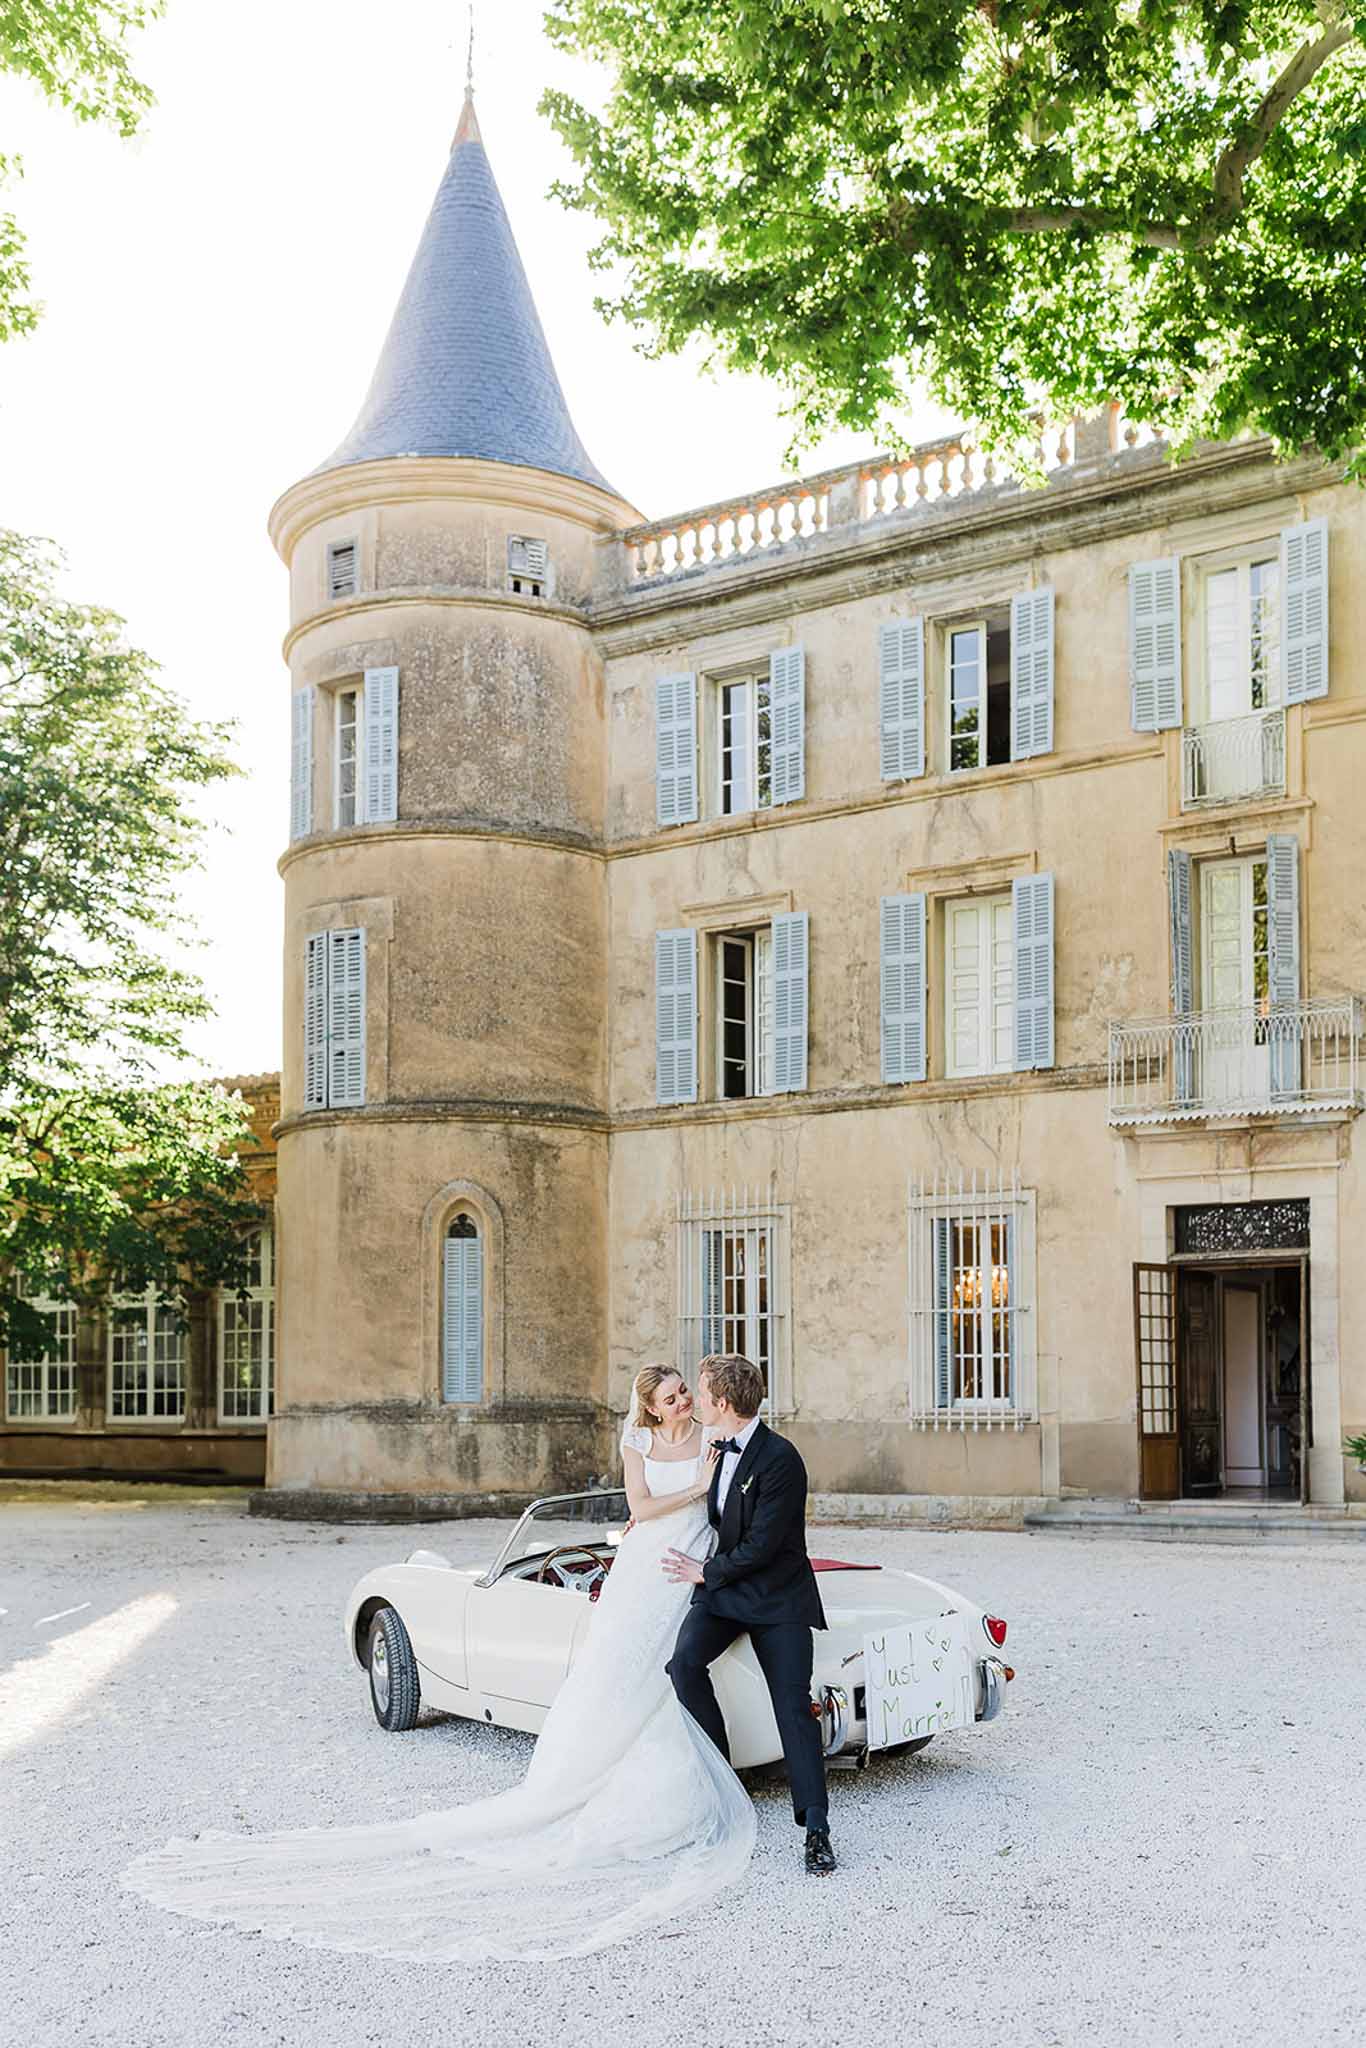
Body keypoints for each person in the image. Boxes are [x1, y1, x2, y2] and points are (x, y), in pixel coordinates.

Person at [119, 1364, 756, 1961]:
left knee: (659, 1666)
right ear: (649, 1407)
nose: (681, 1401)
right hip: (646, 1561)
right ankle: (602, 1770)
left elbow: (725, 1488)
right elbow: (639, 1510)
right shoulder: (642, 1447)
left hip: (693, 1563)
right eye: (671, 1395)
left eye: (683, 1392)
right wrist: (697, 1488)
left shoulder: (709, 1435)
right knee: (619, 1663)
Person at [663, 1352, 836, 1876]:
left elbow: (763, 1545)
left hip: (776, 1596)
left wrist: (703, 1574)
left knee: (791, 1705)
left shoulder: (781, 1458)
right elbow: (706, 1513)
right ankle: (724, 1785)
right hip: (726, 1592)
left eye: (700, 1391)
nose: (694, 1400)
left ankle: (816, 1829)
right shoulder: (714, 1447)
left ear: (722, 1402)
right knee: (683, 1665)